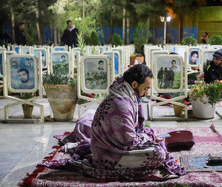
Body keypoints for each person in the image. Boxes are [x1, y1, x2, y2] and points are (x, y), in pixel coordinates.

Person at [41, 64, 185, 181]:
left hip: (111, 148)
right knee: (158, 154)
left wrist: (149, 137)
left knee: (154, 140)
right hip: (107, 156)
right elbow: (129, 140)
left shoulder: (124, 95)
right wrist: (150, 139)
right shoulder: (121, 104)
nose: (147, 92)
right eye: (145, 88)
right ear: (134, 84)